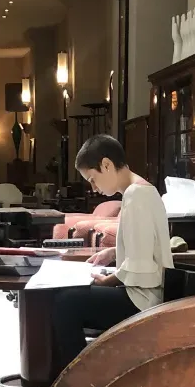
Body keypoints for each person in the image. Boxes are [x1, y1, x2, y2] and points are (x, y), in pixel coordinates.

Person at [51, 134, 174, 373]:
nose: (94, 188)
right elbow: (145, 245)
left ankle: (80, 384)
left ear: (106, 165)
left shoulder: (136, 196)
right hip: (146, 293)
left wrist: (107, 281)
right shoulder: (142, 190)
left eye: (93, 179)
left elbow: (140, 269)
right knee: (70, 297)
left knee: (66, 304)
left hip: (143, 301)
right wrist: (112, 252)